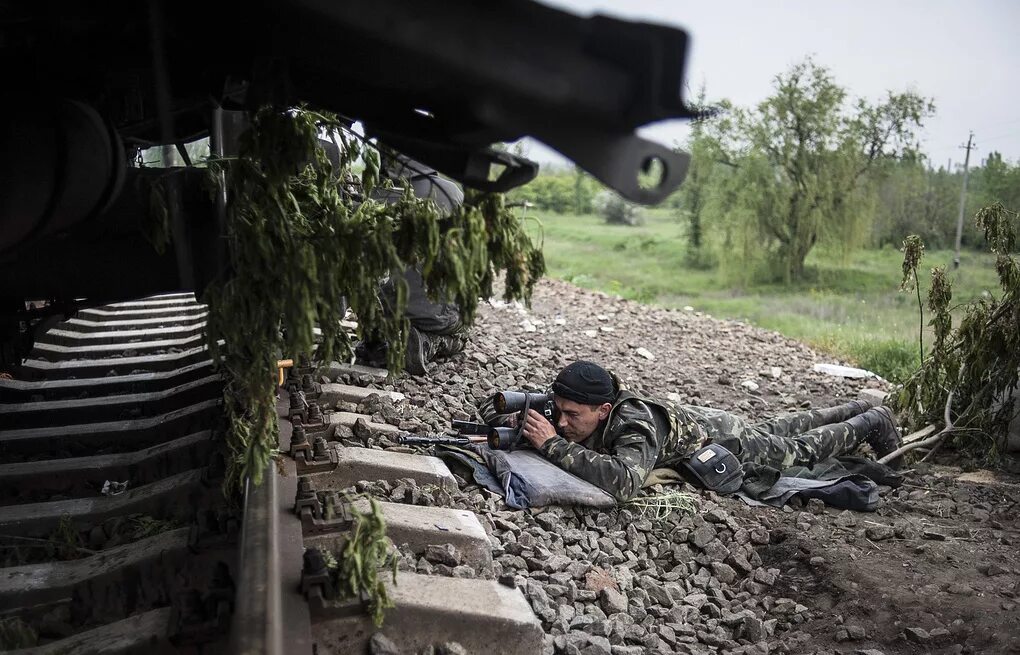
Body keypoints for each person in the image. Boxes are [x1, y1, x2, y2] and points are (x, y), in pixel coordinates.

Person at [477, 360, 901, 502]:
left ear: (604, 410)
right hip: (707, 419)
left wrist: (552, 444)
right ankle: (856, 405)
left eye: (573, 416)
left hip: (724, 441)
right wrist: (517, 418)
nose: (563, 422)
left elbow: (625, 482)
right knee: (790, 423)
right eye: (558, 412)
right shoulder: (575, 403)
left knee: (800, 449)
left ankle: (871, 420)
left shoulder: (632, 425)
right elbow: (487, 411)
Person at [358, 154, 468, 375]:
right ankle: (427, 343)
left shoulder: (370, 193)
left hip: (382, 309)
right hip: (433, 315)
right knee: (461, 334)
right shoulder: (449, 192)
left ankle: (377, 344)